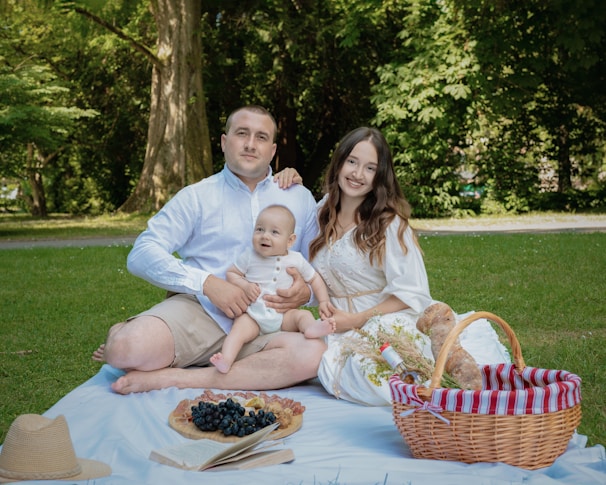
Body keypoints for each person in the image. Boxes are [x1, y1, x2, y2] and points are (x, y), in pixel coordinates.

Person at [92, 105, 326, 394]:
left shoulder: (298, 197)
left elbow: (318, 269)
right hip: (202, 313)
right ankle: (126, 333)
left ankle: (173, 378)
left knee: (314, 355)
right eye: (242, 134)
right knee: (124, 350)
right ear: (224, 142)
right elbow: (142, 253)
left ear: (273, 149)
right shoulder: (197, 197)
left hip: (269, 323)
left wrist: (307, 292)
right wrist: (208, 283)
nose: (251, 144)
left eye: (261, 137)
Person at [285, 127, 510, 406]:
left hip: (383, 319)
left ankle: (445, 397)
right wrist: (288, 175)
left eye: (370, 168)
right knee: (319, 362)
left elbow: (411, 294)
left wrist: (355, 321)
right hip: (334, 326)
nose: (357, 174)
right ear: (339, 162)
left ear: (379, 176)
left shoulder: (389, 224)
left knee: (374, 374)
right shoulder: (322, 212)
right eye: (352, 162)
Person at [211, 204, 336, 373]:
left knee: (302, 315)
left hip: (283, 316)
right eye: (260, 229)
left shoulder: (296, 259)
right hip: (254, 315)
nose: (265, 236)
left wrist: (323, 301)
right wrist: (245, 285)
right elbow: (232, 273)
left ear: (290, 240)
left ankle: (311, 328)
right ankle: (226, 359)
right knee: (238, 331)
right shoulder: (249, 256)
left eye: (274, 232)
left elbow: (314, 278)